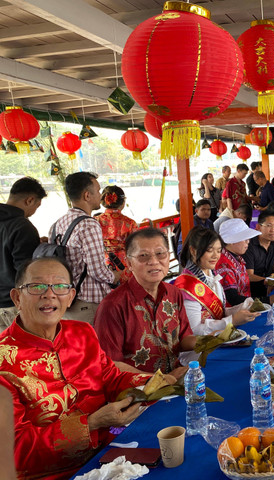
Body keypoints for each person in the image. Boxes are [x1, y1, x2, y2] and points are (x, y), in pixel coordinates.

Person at [1, 257, 155, 479]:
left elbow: (110, 378)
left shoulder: (82, 332)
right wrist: (90, 424)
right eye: (37, 286)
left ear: (71, 296)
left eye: (60, 286)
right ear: (17, 297)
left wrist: (151, 383)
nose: (50, 294)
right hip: (54, 474)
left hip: (110, 453)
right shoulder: (4, 362)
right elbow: (15, 450)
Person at [94, 229, 196, 375]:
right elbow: (110, 365)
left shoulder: (174, 293)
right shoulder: (112, 306)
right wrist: (161, 380)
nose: (154, 262)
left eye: (160, 254)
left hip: (176, 380)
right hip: (137, 392)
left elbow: (184, 339)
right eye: (143, 256)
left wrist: (212, 340)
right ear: (129, 263)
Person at [49, 172, 118, 324]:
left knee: (75, 344)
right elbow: (96, 270)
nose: (101, 195)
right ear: (87, 195)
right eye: (99, 190)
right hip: (87, 302)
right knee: (93, 345)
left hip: (65, 299)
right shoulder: (88, 224)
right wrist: (115, 277)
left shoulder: (57, 224)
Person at [175, 227, 258, 337]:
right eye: (209, 250)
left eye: (219, 251)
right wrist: (232, 320)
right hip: (200, 350)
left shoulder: (210, 274)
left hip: (218, 339)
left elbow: (219, 314)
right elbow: (194, 330)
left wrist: (243, 307)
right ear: (193, 251)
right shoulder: (187, 285)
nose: (216, 256)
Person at [0, 177, 46, 331]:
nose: (33, 213)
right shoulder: (22, 226)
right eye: (37, 207)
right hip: (12, 304)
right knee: (26, 351)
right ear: (29, 200)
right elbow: (25, 269)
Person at [243, 210, 274, 299]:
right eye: (269, 226)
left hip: (270, 289)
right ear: (258, 227)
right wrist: (270, 281)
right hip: (251, 294)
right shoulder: (249, 245)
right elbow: (249, 276)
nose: (273, 230)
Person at [214, 218, 260, 306]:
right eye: (245, 239)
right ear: (232, 241)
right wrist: (266, 301)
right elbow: (233, 298)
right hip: (234, 315)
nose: (248, 241)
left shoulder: (235, 257)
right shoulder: (224, 264)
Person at [97, 185, 137, 283]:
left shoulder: (95, 221)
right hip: (124, 264)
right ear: (122, 203)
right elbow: (136, 247)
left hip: (102, 263)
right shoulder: (130, 223)